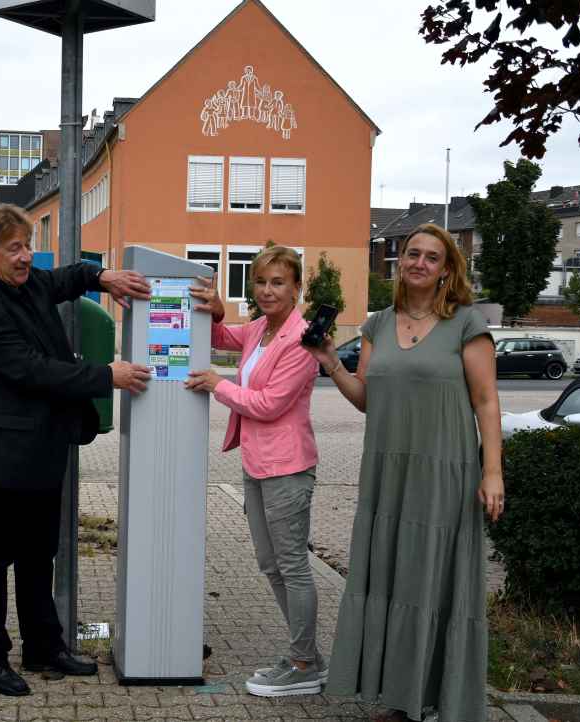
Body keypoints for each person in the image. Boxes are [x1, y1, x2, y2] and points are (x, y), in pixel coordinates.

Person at [0, 204, 152, 697]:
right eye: (13, 249)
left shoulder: (27, 282)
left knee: (40, 553)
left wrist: (104, 276)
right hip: (3, 452)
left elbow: (68, 276)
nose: (24, 257)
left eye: (27, 246)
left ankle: (44, 646)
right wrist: (108, 374)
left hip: (42, 445)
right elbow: (34, 370)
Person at [310, 223, 503, 722]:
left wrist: (492, 473)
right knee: (395, 581)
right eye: (412, 254)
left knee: (432, 580)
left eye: (431, 257)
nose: (419, 262)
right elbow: (368, 401)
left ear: (447, 270)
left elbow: (486, 402)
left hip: (445, 471)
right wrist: (331, 361)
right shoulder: (377, 323)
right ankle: (401, 698)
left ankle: (441, 698)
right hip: (387, 472)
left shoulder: (466, 323)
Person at [186, 246, 327, 697]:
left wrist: (218, 385)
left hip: (286, 468)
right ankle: (305, 654)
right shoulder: (263, 329)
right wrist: (217, 311)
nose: (267, 291)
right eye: (262, 282)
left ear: (297, 287)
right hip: (257, 463)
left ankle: (305, 662)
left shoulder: (301, 340)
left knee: (292, 567)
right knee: (271, 565)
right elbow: (224, 338)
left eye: (278, 283)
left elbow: (269, 405)